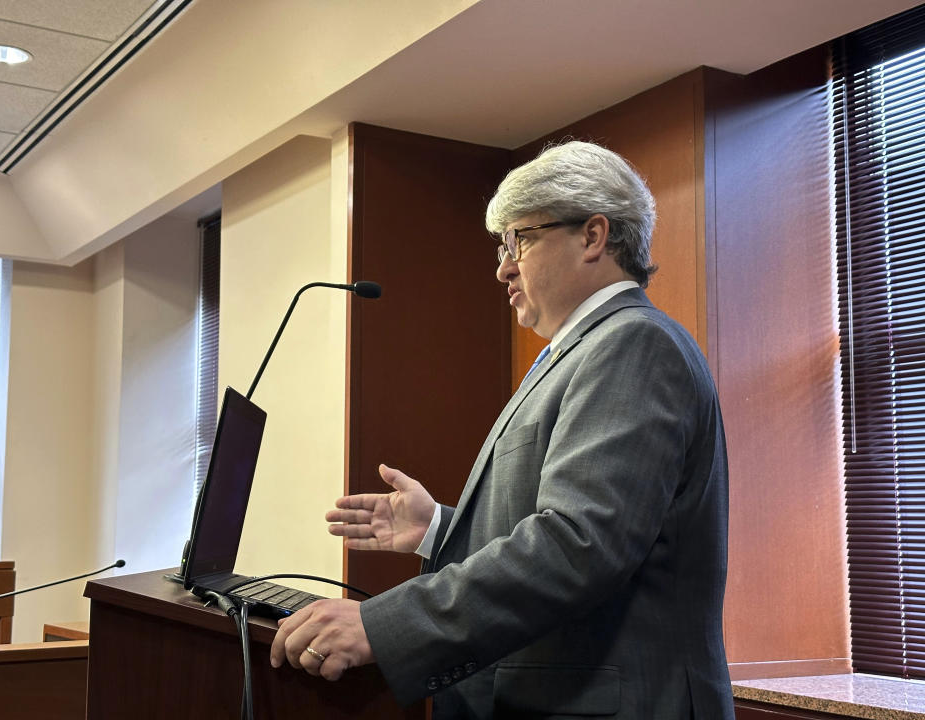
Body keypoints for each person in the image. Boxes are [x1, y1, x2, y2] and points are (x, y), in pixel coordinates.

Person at [270, 141, 734, 719]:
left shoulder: (633, 344)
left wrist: (383, 626)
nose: (503, 266)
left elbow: (577, 545)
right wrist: (441, 529)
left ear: (593, 236)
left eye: (521, 239)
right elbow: (561, 528)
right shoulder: (579, 352)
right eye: (502, 245)